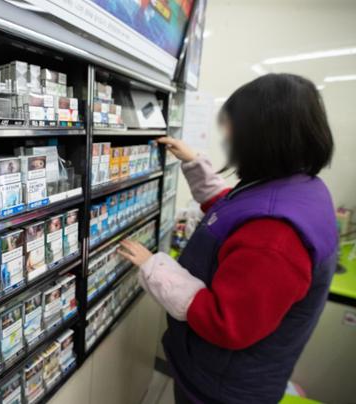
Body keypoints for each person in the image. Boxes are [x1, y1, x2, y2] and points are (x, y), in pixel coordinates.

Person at [118, 73, 337, 404]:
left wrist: (154, 267)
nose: (227, 135)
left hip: (221, 389)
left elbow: (226, 322)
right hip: (223, 376)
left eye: (234, 126)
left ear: (263, 135)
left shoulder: (276, 235)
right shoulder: (299, 186)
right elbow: (236, 212)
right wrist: (194, 163)